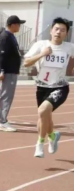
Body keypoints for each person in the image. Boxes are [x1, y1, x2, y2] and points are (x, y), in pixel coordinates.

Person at [23, 18, 74, 158]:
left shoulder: (69, 47)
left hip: (60, 87)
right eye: (56, 29)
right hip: (42, 87)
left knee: (42, 110)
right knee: (45, 116)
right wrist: (42, 54)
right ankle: (52, 136)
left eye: (62, 30)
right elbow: (26, 63)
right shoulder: (40, 45)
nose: (58, 32)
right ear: (51, 30)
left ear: (66, 33)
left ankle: (40, 144)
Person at [0, 15, 25, 132]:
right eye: (18, 24)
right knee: (6, 96)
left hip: (10, 71)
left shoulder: (10, 36)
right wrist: (2, 70)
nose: (19, 27)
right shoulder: (5, 36)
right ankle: (2, 121)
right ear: (13, 25)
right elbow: (2, 54)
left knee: (4, 96)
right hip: (7, 71)